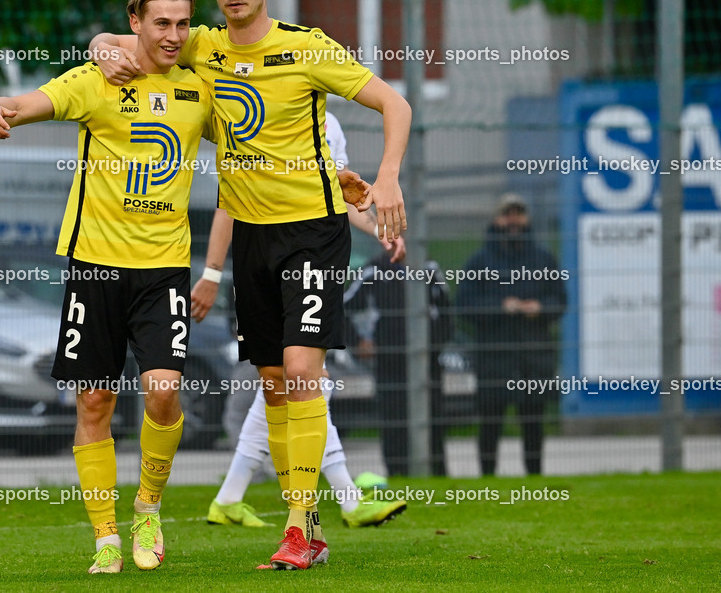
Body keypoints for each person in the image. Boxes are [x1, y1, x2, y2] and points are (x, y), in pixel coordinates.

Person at [89, 0, 410, 570]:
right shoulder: (201, 45)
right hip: (253, 240)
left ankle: (300, 528)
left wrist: (389, 175)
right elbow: (131, 40)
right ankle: (307, 524)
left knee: (299, 370)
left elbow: (393, 102)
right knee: (272, 382)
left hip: (313, 231)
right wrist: (102, 47)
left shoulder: (305, 47)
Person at [0, 0, 212, 575]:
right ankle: (106, 536)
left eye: (183, 23)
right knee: (95, 401)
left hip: (163, 271)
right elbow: (29, 103)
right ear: (137, 22)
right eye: (161, 22)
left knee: (162, 391)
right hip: (96, 269)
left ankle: (148, 508)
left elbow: (252, 143)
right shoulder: (97, 79)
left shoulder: (200, 84)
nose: (174, 34)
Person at [196, 112, 407, 533]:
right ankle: (243, 496)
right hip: (260, 268)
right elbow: (228, 203)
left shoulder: (329, 123)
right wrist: (212, 273)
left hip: (311, 262)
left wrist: (377, 226)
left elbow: (341, 197)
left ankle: (330, 502)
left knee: (303, 380)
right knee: (281, 384)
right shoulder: (251, 111)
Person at [455, 194, 566, 476]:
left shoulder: (542, 258)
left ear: (527, 219)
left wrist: (539, 309)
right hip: (494, 357)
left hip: (534, 356)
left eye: (519, 214)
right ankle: (487, 477)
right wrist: (500, 308)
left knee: (533, 422)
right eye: (507, 214)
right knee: (490, 421)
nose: (513, 220)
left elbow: (560, 300)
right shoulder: (480, 261)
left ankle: (535, 476)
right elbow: (464, 306)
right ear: (496, 219)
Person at [343, 252, 453, 477]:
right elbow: (341, 309)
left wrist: (434, 345)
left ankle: (437, 474)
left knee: (433, 419)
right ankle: (397, 474)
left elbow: (447, 313)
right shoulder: (374, 270)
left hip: (427, 363)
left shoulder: (429, 268)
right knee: (394, 420)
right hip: (390, 362)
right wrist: (358, 342)